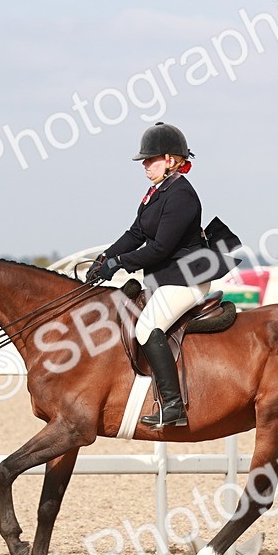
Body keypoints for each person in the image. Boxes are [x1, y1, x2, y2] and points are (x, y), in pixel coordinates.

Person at [87, 122, 236, 428]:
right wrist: (104, 258)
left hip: (185, 279)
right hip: (163, 278)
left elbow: (159, 248)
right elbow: (136, 233)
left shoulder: (181, 195)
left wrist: (119, 263)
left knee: (147, 328)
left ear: (170, 160)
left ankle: (173, 406)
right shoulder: (155, 193)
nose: (144, 165)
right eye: (144, 160)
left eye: (150, 159)